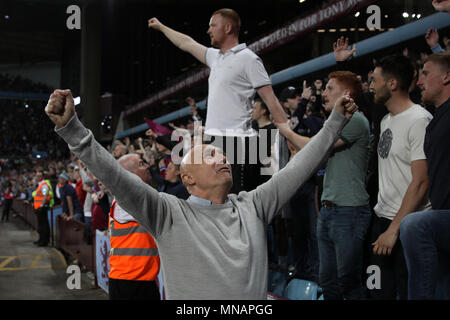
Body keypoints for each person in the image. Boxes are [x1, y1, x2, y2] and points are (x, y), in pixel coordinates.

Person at [45, 88, 357, 300]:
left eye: (222, 155)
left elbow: (299, 167)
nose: (222, 158)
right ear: (188, 178)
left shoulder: (254, 205)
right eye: (210, 155)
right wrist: (73, 130)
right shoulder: (167, 213)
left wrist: (334, 123)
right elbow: (114, 174)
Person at [148, 9, 287, 193]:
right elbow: (186, 43)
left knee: (237, 201)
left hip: (237, 142)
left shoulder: (249, 59)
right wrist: (161, 27)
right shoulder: (216, 57)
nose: (209, 30)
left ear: (228, 28)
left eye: (213, 25)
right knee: (214, 200)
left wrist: (289, 136)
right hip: (212, 141)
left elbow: (271, 100)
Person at [276, 71, 371, 299]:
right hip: (330, 210)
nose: (324, 93)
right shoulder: (336, 120)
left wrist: (287, 131)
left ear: (346, 94)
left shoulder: (354, 119)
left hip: (349, 210)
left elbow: (314, 147)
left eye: (330, 88)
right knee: (328, 283)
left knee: (347, 281)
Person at [368, 55, 432, 300]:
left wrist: (394, 229)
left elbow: (421, 182)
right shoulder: (385, 120)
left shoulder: (420, 120)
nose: (371, 86)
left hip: (408, 227)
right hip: (382, 222)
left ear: (392, 84)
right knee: (377, 293)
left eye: (375, 80)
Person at [399, 51, 450, 300]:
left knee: (414, 224)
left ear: (447, 77)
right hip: (442, 218)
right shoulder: (433, 121)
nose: (419, 81)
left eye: (426, 74)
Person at [108, 153, 161, 300]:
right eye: (141, 164)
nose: (147, 166)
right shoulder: (129, 200)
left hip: (137, 279)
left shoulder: (129, 199)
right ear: (130, 175)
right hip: (132, 282)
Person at [32, 170, 52, 246]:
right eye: (37, 176)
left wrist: (42, 205)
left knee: (43, 225)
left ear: (42, 177)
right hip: (39, 207)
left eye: (39, 176)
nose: (38, 177)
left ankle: (44, 241)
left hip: (42, 208)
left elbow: (45, 195)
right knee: (40, 225)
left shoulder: (44, 185)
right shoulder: (40, 184)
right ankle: (40, 239)